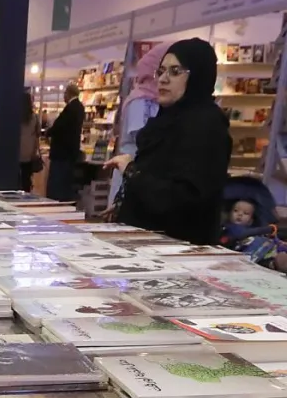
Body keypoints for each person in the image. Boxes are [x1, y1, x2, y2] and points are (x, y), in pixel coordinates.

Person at [108, 38, 232, 246]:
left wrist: (131, 171)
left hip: (176, 249)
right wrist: (128, 204)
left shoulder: (205, 126)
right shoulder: (166, 121)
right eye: (161, 71)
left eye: (175, 71)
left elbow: (184, 199)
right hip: (148, 242)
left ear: (198, 76)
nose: (163, 79)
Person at [109, 42, 172, 205]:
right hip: (133, 170)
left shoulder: (155, 99)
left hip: (142, 173)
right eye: (163, 70)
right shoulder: (140, 100)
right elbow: (142, 138)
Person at [220, 176, 287, 271]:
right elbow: (238, 234)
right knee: (262, 250)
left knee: (275, 243)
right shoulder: (229, 228)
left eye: (245, 213)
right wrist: (266, 229)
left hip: (266, 245)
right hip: (249, 251)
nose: (240, 214)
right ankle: (276, 262)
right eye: (236, 211)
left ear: (251, 220)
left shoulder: (256, 228)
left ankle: (280, 257)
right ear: (229, 213)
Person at [47, 83, 85, 201]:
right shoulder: (80, 107)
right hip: (71, 151)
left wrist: (48, 132)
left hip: (62, 152)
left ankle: (56, 201)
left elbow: (59, 127)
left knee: (58, 182)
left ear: (68, 94)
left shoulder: (70, 108)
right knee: (66, 180)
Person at [19, 92, 42, 192]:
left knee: (17, 178)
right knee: (27, 177)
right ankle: (26, 194)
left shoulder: (16, 117)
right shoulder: (35, 118)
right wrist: (35, 150)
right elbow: (37, 136)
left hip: (18, 150)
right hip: (29, 151)